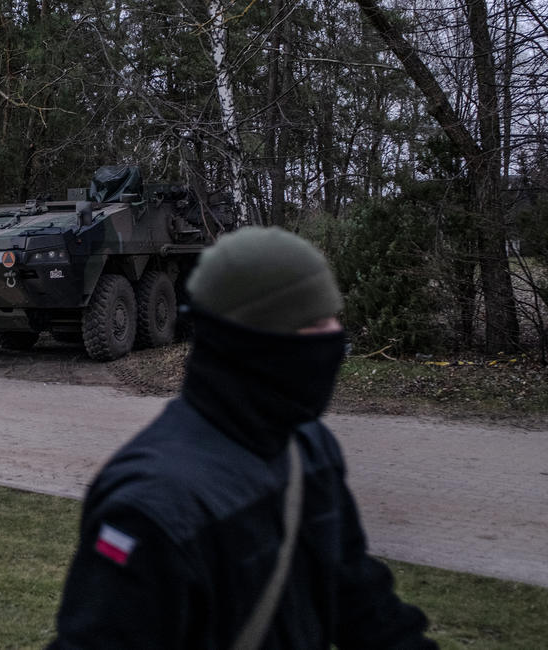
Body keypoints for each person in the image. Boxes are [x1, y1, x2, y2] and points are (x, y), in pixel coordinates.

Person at [49, 226, 436, 648]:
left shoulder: (308, 446)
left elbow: (361, 600)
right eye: (313, 321)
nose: (334, 335)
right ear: (254, 340)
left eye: (333, 316)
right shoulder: (151, 506)